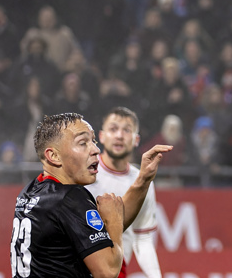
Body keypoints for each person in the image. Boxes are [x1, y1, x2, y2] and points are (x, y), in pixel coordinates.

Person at [11, 112, 171, 278]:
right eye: (82, 143)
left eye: (93, 141)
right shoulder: (71, 198)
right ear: (54, 156)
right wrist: (114, 223)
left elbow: (94, 233)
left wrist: (143, 179)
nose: (95, 150)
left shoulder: (30, 191)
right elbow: (107, 272)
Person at [85, 107, 162, 278]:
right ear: (102, 137)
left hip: (115, 272)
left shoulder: (142, 180)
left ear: (136, 140)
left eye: (126, 130)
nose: (119, 135)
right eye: (113, 129)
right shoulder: (82, 171)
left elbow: (142, 238)